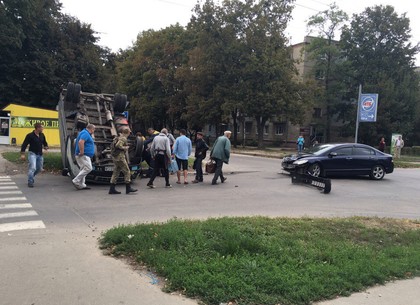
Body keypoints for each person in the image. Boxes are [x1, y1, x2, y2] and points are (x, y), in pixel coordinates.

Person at [109, 128, 138, 195]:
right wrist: (126, 148)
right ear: (128, 132)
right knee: (127, 171)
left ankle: (112, 188)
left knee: (116, 172)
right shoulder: (123, 138)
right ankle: (128, 188)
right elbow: (118, 145)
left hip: (115, 157)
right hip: (120, 157)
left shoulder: (118, 137)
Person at [20, 122, 49, 187]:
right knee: (33, 167)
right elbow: (24, 145)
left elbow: (45, 143)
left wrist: (46, 148)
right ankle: (30, 182)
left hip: (40, 154)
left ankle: (31, 176)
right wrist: (22, 154)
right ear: (38, 128)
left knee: (39, 168)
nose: (43, 128)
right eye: (42, 127)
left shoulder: (42, 135)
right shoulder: (30, 135)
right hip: (32, 154)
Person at [72, 124, 95, 190]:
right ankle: (76, 180)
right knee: (88, 168)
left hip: (84, 155)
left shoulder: (83, 132)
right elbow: (81, 142)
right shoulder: (85, 133)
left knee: (83, 169)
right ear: (91, 129)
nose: (93, 131)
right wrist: (82, 152)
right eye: (94, 130)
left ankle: (82, 184)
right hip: (84, 155)